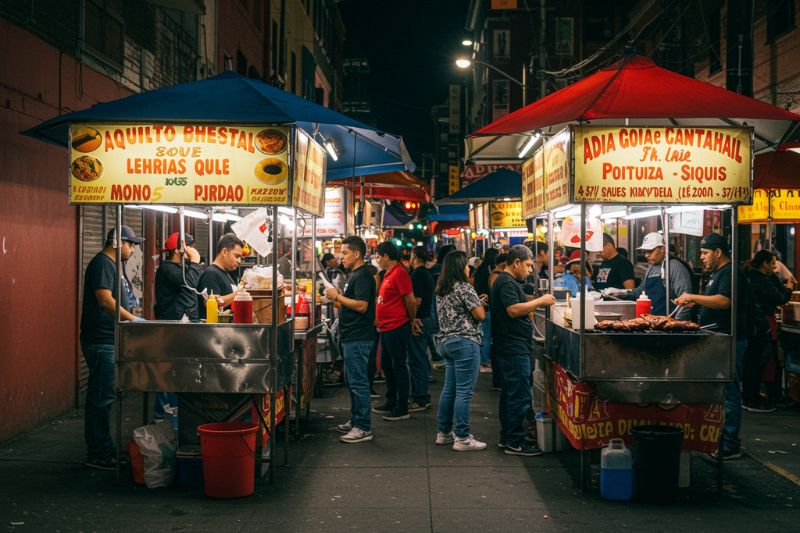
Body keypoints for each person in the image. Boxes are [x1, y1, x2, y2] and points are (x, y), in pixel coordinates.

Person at [675, 233, 748, 460]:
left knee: (729, 390)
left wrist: (693, 297)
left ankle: (729, 444)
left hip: (731, 339)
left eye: (705, 253)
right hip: (718, 338)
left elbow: (725, 301)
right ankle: (718, 439)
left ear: (718, 252)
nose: (702, 258)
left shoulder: (731, 272)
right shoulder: (718, 273)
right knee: (721, 390)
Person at [80, 225, 144, 470]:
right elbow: (105, 300)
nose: (133, 249)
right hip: (100, 340)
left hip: (109, 339)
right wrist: (132, 319)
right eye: (130, 244)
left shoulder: (113, 265)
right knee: (100, 397)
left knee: (104, 396)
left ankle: (103, 448)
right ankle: (98, 453)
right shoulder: (102, 264)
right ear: (117, 242)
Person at [491, 245, 555, 456]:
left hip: (511, 345)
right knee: (518, 395)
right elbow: (513, 310)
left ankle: (506, 437)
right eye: (528, 265)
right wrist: (540, 301)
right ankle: (515, 442)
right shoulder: (506, 282)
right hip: (513, 347)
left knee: (510, 394)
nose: (530, 270)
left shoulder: (509, 282)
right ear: (516, 262)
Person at [434, 250, 488, 451]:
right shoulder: (465, 287)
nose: (468, 268)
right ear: (459, 267)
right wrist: (480, 304)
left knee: (450, 389)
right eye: (466, 265)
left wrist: (477, 302)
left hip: (447, 343)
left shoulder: (442, 288)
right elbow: (480, 315)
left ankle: (444, 432)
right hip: (465, 342)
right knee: (464, 391)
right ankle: (463, 437)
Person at [325, 236, 377, 443]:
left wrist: (337, 296)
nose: (341, 257)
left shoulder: (363, 275)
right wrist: (337, 296)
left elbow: (362, 306)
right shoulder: (355, 274)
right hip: (350, 335)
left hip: (358, 336)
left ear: (356, 254)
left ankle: (363, 427)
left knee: (358, 382)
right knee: (352, 381)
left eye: (345, 253)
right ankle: (356, 420)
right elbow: (351, 303)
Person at [153, 232, 201, 425]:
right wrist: (195, 262)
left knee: (180, 374)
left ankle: (176, 415)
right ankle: (163, 418)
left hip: (185, 327)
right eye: (190, 247)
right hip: (174, 329)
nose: (193, 250)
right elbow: (190, 283)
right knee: (171, 374)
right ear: (179, 249)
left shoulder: (180, 268)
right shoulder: (168, 269)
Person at [372, 241, 417, 421]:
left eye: (377, 256)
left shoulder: (399, 273)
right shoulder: (387, 274)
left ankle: (402, 406)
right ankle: (390, 401)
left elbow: (411, 301)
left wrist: (411, 321)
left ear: (386, 257)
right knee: (387, 366)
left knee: (398, 366)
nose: (376, 260)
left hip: (397, 326)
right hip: (386, 327)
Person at [742, 250, 791, 412]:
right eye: (772, 263)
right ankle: (752, 398)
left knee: (757, 361)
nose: (775, 266)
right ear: (764, 263)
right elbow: (780, 298)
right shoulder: (760, 280)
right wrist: (789, 288)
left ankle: (754, 395)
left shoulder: (753, 276)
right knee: (759, 361)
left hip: (755, 323)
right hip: (761, 324)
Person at [608, 232, 692, 319]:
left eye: (650, 251)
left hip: (669, 323)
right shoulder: (651, 267)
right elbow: (641, 292)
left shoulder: (675, 267)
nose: (646, 255)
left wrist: (677, 324)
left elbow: (686, 302)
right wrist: (620, 293)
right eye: (645, 251)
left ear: (662, 249)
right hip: (651, 322)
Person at [408, 246, 435, 412]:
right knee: (420, 358)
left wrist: (412, 319)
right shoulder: (426, 274)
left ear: (414, 257)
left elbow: (416, 301)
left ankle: (420, 398)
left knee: (416, 360)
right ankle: (421, 395)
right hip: (426, 319)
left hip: (420, 320)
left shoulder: (417, 275)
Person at [197, 233, 244, 318]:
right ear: (225, 252)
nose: (239, 261)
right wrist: (239, 294)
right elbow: (214, 304)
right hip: (214, 330)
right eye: (237, 256)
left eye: (241, 258)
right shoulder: (211, 274)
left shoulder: (227, 274)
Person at [473, 249, 499, 368]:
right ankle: (484, 360)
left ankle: (483, 359)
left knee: (484, 334)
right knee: (487, 334)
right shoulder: (492, 272)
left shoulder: (479, 270)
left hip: (480, 304)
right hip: (488, 305)